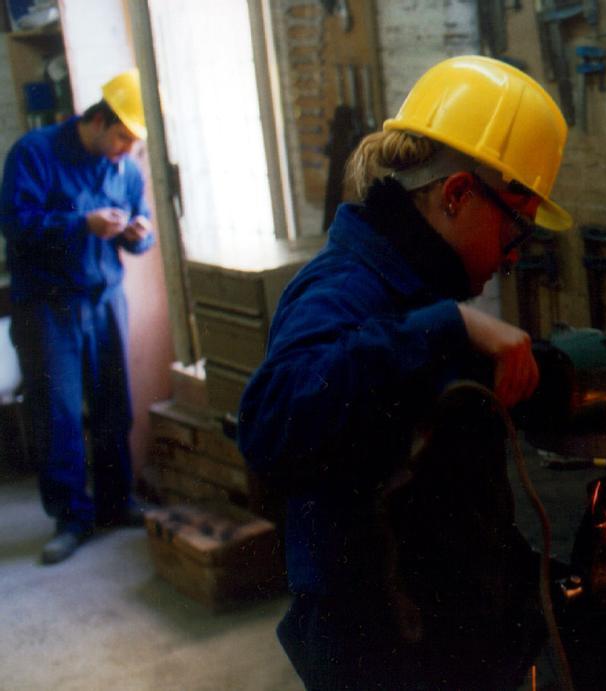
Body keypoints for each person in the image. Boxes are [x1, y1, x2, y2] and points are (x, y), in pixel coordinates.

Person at [237, 55, 573, 689]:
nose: (510, 258)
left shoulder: (410, 290)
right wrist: (452, 326)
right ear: (455, 195)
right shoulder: (342, 290)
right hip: (383, 657)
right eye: (514, 229)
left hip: (441, 633)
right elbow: (270, 420)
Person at [0, 68, 154, 565]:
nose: (126, 151)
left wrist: (140, 234)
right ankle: (71, 516)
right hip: (47, 304)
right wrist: (80, 223)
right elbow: (17, 227)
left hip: (104, 298)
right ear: (97, 119)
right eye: (121, 137)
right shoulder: (34, 153)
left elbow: (141, 229)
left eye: (133, 142)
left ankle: (116, 500)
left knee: (114, 402)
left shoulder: (125, 168)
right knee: (59, 413)